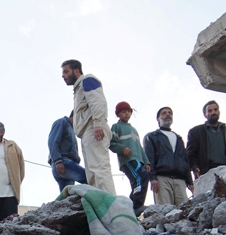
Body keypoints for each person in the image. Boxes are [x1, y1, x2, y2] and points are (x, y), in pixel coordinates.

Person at [61, 59, 116, 194]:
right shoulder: (78, 89)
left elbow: (98, 102)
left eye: (66, 72)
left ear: (76, 71)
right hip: (87, 132)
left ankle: (110, 202)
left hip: (93, 128)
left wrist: (98, 124)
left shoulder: (87, 80)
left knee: (99, 168)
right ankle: (100, 202)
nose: (63, 75)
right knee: (92, 173)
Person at [186, 100, 226, 179]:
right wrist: (194, 167)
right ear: (205, 114)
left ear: (219, 112)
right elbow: (190, 153)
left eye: (215, 110)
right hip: (207, 172)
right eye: (210, 111)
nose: (213, 112)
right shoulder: (195, 132)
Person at [144, 107, 193, 206]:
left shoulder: (178, 138)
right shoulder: (151, 136)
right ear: (158, 119)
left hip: (180, 180)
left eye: (170, 113)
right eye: (164, 113)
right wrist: (152, 178)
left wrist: (190, 182)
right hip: (162, 179)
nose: (167, 115)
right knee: (165, 210)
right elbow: (149, 159)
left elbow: (185, 160)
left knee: (184, 210)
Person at [109, 101, 151, 214]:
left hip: (139, 160)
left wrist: (146, 162)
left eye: (129, 111)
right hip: (128, 159)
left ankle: (131, 206)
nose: (127, 114)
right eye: (124, 112)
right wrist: (122, 148)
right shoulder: (116, 127)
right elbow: (111, 143)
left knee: (143, 177)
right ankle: (136, 205)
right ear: (118, 114)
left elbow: (140, 147)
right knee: (139, 178)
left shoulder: (134, 130)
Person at [47, 111, 87, 192]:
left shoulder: (72, 130)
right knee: (89, 178)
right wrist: (58, 161)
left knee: (67, 195)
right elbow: (52, 142)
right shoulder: (62, 122)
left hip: (64, 163)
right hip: (64, 162)